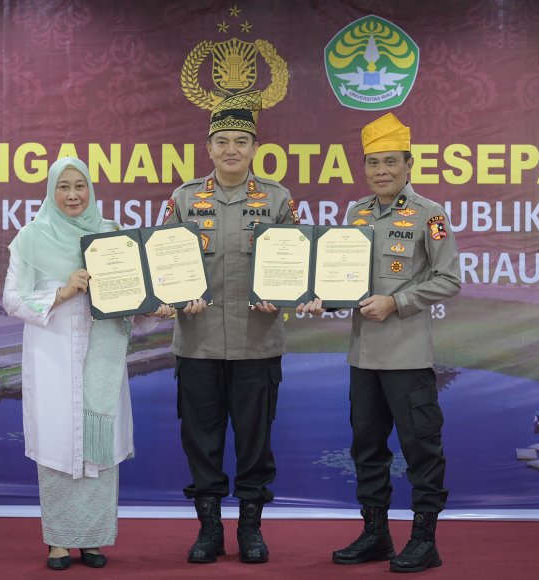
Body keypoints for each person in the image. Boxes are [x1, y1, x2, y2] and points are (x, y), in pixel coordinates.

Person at [298, 114, 461, 573]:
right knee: (366, 449)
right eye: (373, 163)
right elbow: (348, 281)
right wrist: (323, 299)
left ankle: (424, 540)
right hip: (363, 356)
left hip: (407, 357)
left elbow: (449, 279)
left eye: (391, 162)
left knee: (421, 450)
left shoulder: (430, 214)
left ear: (409, 164)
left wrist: (399, 301)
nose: (381, 171)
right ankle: (376, 534)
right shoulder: (357, 214)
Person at [4, 157, 173, 571]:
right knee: (58, 442)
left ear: (91, 189)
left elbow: (131, 303)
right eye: (64, 187)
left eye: (80, 186)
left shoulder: (112, 236)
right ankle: (58, 543)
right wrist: (61, 293)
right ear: (51, 191)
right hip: (53, 357)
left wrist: (156, 311)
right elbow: (11, 299)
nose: (73, 195)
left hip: (103, 356)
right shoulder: (30, 237)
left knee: (99, 444)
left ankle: (94, 540)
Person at [162, 90, 299, 564]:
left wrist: (281, 296)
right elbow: (163, 265)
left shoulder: (278, 200)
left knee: (255, 445)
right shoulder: (182, 199)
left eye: (241, 140)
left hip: (256, 344)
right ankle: (209, 530)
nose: (231, 150)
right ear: (209, 147)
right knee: (201, 441)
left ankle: (251, 530)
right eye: (222, 141)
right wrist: (169, 298)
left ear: (254, 147)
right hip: (197, 344)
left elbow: (296, 267)